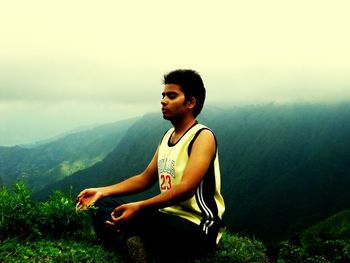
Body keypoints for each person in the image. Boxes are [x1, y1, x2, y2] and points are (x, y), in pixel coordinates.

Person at [76, 69, 225, 262]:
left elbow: (187, 188)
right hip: (166, 218)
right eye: (163, 96)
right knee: (101, 205)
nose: (163, 101)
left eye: (172, 96)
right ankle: (136, 246)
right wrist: (101, 191)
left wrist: (139, 207)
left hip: (197, 225)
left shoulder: (202, 136)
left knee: (141, 217)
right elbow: (145, 178)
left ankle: (130, 244)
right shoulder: (167, 137)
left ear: (190, 102)